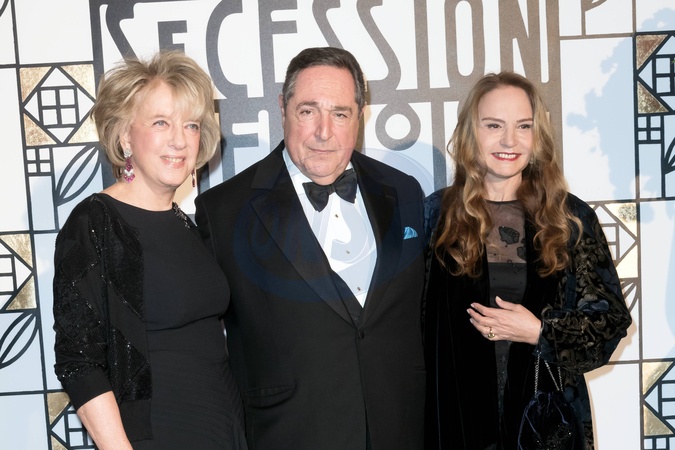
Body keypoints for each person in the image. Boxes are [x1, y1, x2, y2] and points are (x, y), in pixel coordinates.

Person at [195, 46, 426, 450]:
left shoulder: (404, 192)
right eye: (308, 111)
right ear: (283, 109)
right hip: (289, 434)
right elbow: (200, 350)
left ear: (360, 116)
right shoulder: (224, 211)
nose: (324, 132)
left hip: (399, 428)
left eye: (340, 114)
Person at [423, 72, 632, 450]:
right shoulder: (436, 216)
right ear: (471, 132)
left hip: (543, 426)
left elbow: (610, 321)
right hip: (456, 424)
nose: (509, 140)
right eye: (493, 125)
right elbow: (409, 327)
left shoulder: (569, 218)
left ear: (538, 135)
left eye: (523, 126)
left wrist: (540, 331)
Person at [52, 50, 247, 450]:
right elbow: (79, 362)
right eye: (161, 122)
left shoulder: (185, 223)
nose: (180, 140)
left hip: (221, 430)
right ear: (125, 135)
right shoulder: (96, 222)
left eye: (191, 125)